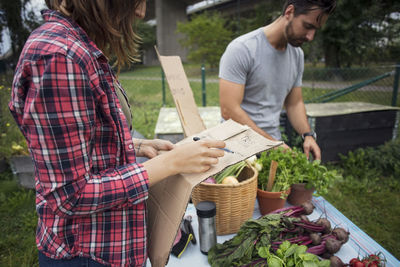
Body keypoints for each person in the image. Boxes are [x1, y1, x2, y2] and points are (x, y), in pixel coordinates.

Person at [9, 0, 226, 266]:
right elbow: (70, 195)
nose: (141, 12)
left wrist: (136, 145)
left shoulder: (77, 46)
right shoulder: (59, 57)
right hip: (87, 254)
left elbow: (79, 141)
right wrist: (170, 163)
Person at [219, 0, 337, 161]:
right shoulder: (243, 49)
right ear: (289, 12)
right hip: (237, 148)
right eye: (308, 26)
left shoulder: (297, 56)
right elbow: (229, 110)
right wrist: (272, 145)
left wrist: (308, 135)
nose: (311, 37)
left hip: (273, 145)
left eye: (315, 30)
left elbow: (294, 104)